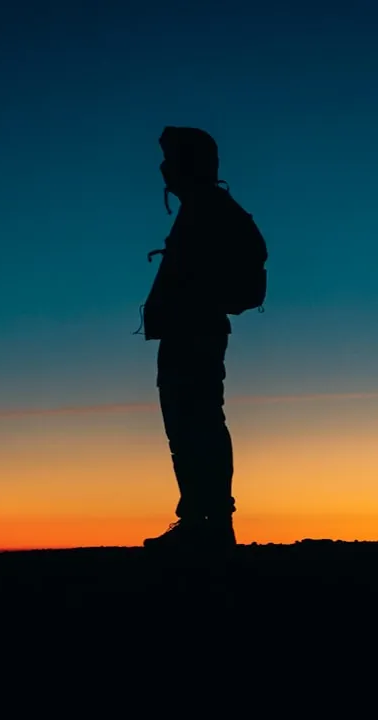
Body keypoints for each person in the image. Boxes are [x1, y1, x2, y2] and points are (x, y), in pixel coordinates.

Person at [140, 126, 266, 552]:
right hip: (189, 332)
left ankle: (207, 524)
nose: (163, 169)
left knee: (196, 422)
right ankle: (203, 520)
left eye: (170, 159)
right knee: (189, 422)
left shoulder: (207, 208)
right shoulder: (202, 207)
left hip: (195, 333)